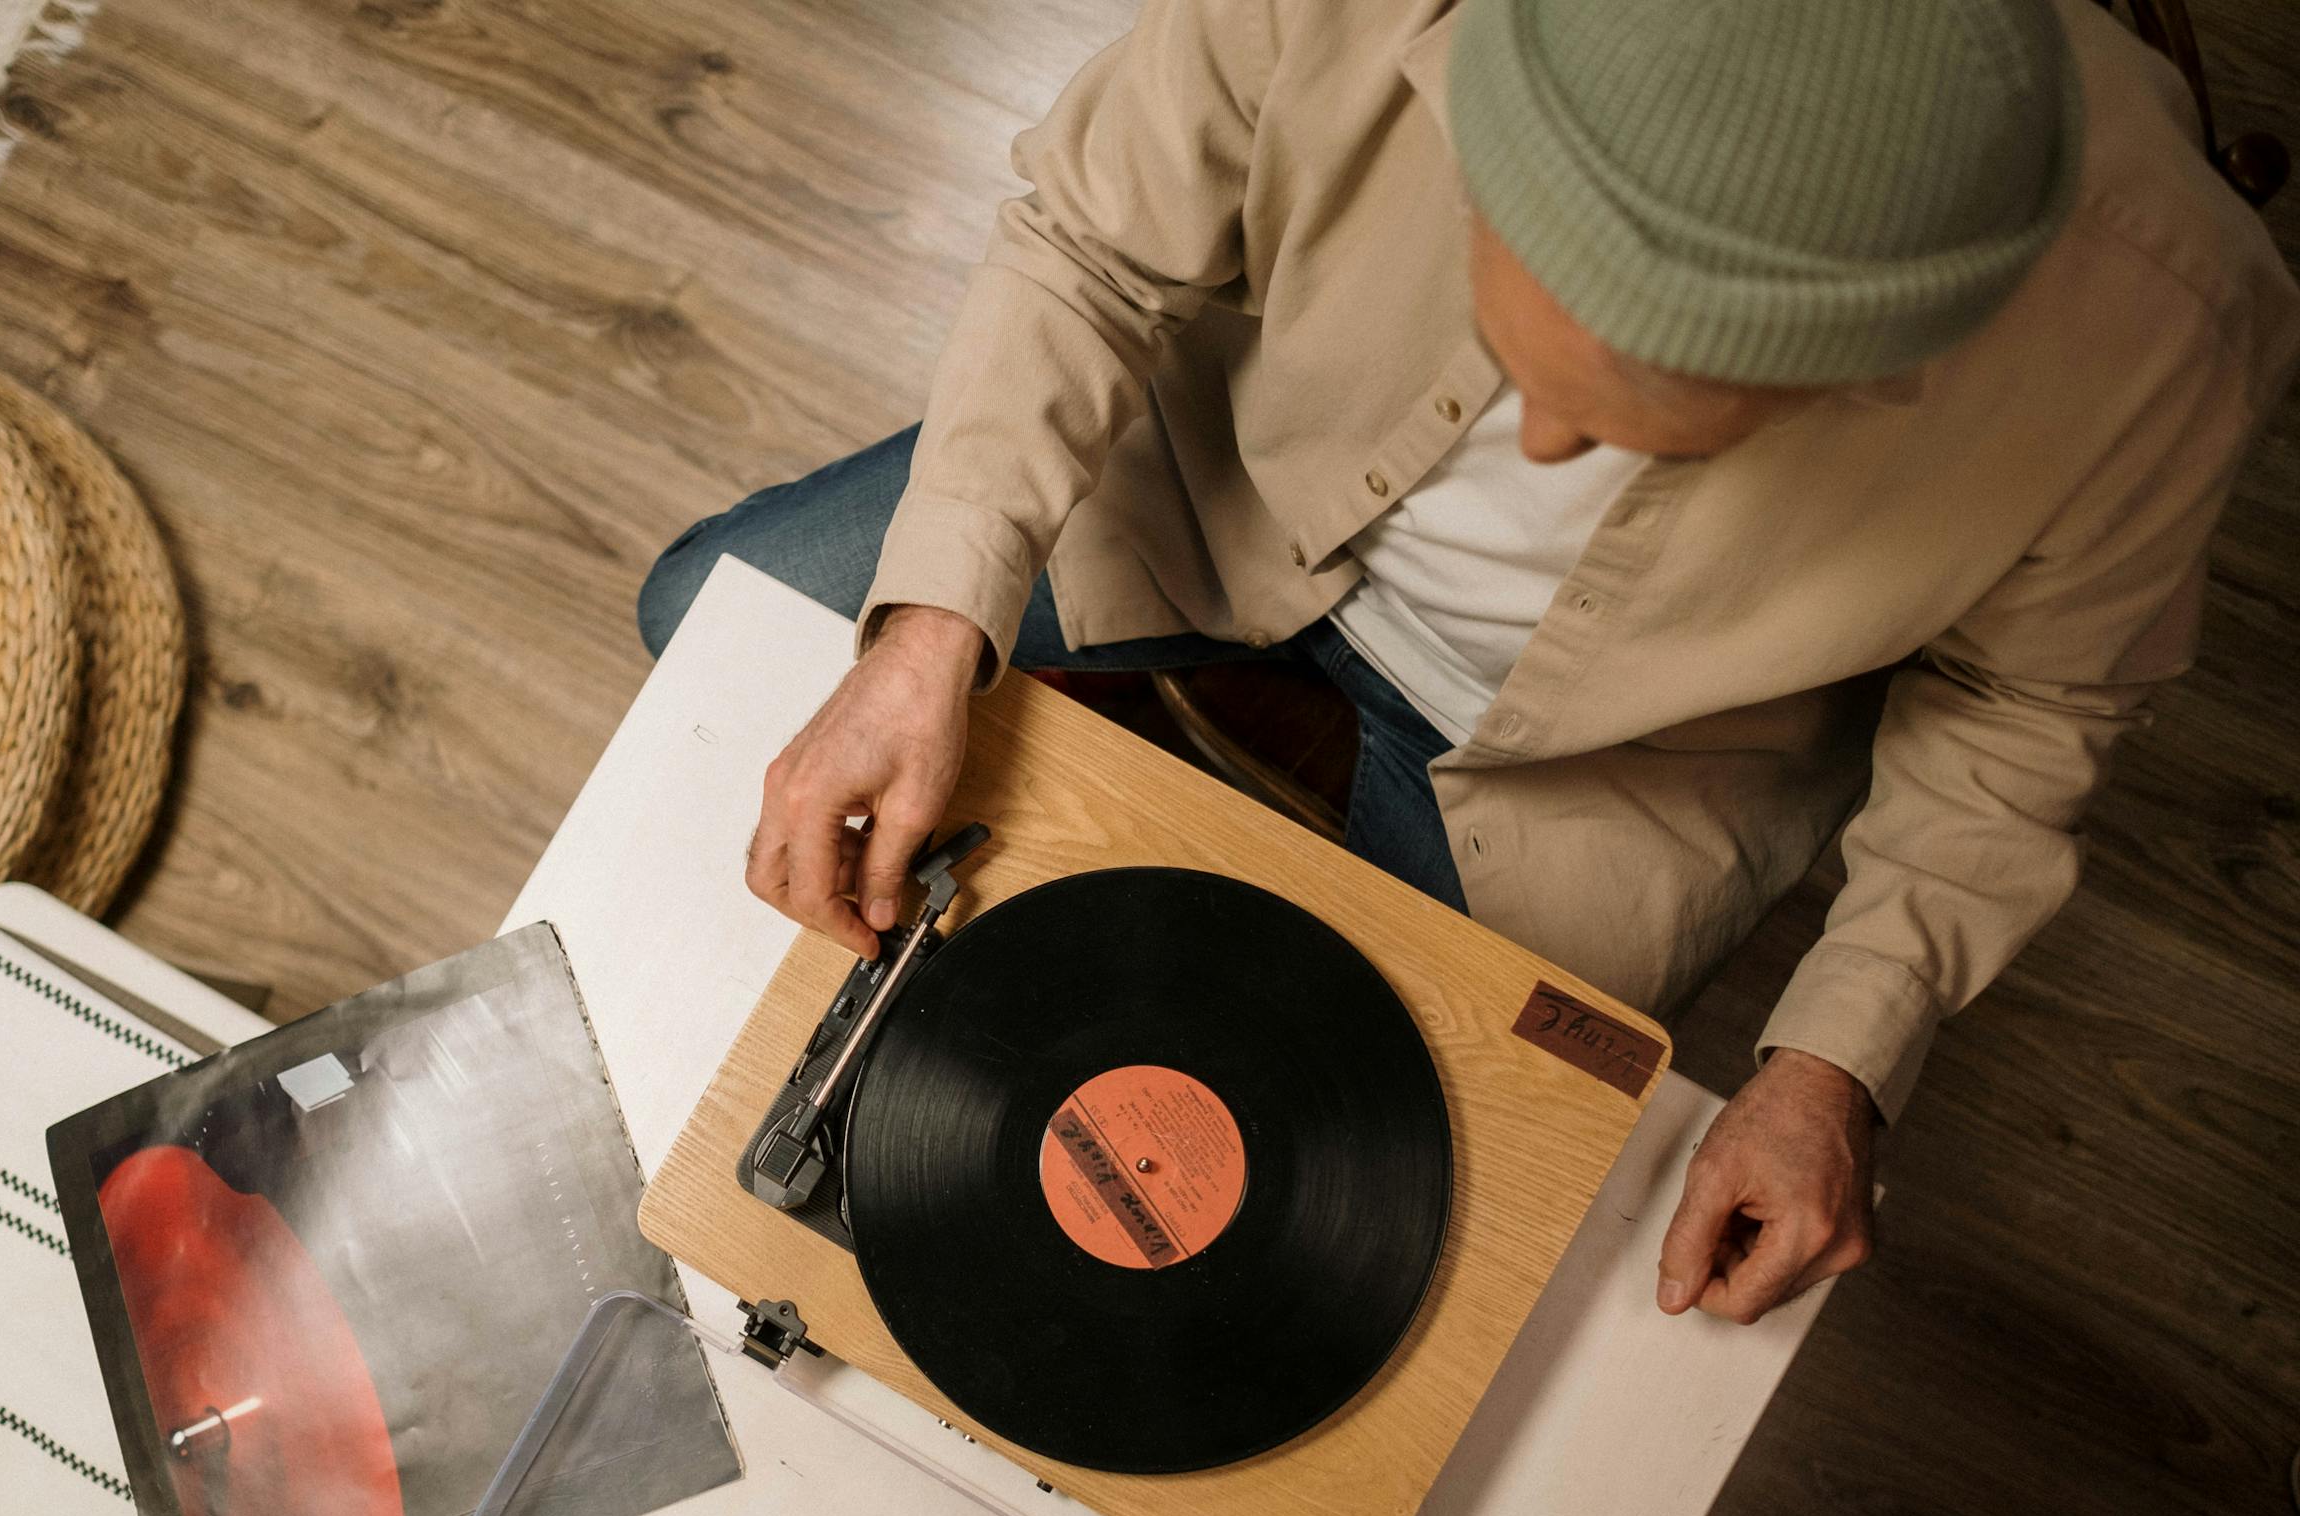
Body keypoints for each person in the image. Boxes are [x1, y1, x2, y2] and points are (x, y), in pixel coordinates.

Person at [639, 0, 2298, 1324]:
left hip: (1600, 786)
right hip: (1192, 508)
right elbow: (1091, 245)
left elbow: (2029, 710)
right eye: (1527, 360)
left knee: (1348, 1245)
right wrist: (929, 631)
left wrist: (1837, 1064)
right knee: (705, 624)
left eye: (1668, 431)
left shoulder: (2176, 325)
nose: (1550, 444)